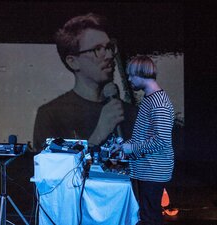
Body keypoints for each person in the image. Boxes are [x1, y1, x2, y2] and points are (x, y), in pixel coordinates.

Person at [33, 13, 137, 151]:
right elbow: (53, 170)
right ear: (73, 61)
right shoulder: (51, 115)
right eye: (97, 49)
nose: (109, 55)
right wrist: (98, 135)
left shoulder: (132, 114)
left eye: (109, 47)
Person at [118, 55, 175, 225]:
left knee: (151, 219)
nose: (129, 79)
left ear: (141, 73)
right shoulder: (149, 99)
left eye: (131, 75)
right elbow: (144, 136)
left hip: (154, 170)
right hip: (147, 169)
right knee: (146, 217)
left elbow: (161, 141)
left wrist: (130, 149)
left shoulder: (159, 103)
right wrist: (125, 145)